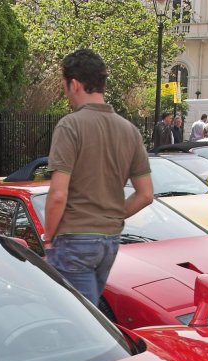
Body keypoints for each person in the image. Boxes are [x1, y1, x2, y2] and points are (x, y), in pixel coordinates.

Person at [44, 48, 154, 305]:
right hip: (110, 241)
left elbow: (58, 194)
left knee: (80, 323)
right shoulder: (130, 131)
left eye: (65, 86)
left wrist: (49, 239)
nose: (66, 94)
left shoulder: (70, 125)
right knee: (89, 316)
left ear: (74, 84)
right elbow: (146, 194)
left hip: (74, 239)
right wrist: (112, 216)